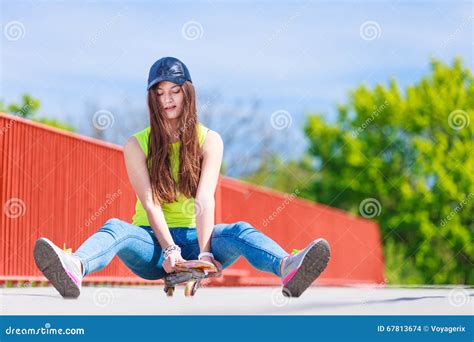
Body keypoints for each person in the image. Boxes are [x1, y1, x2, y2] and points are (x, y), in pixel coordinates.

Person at [33, 56, 330, 299]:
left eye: (174, 90)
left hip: (197, 241)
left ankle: (288, 267)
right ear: (152, 98)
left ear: (188, 91)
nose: (167, 99)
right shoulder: (136, 145)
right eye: (159, 93)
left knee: (239, 230)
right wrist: (169, 250)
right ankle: (75, 266)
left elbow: (204, 199)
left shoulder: (210, 140)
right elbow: (150, 204)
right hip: (151, 244)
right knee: (116, 227)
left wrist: (204, 252)